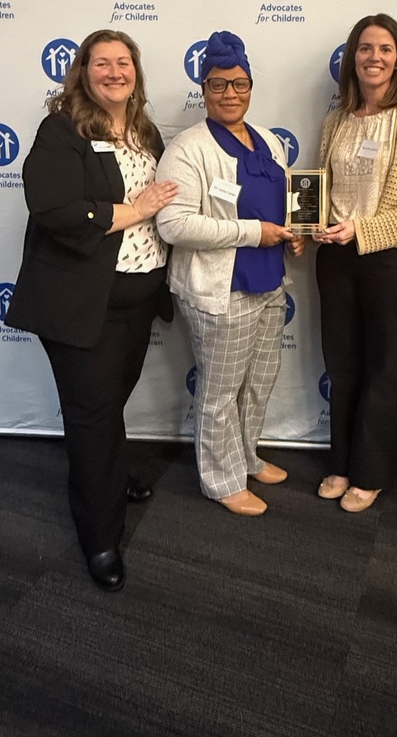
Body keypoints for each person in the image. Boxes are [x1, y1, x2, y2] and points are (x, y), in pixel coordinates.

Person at [5, 29, 178, 591]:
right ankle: (100, 537)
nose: (113, 72)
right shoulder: (62, 130)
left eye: (123, 62)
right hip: (83, 306)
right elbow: (54, 208)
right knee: (92, 416)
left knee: (109, 404)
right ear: (82, 72)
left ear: (136, 73)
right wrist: (137, 208)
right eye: (100, 63)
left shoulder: (145, 132)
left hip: (138, 298)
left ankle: (106, 474)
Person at [155, 30, 304, 516]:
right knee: (219, 394)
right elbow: (174, 223)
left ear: (250, 86)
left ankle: (246, 457)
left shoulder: (266, 141)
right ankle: (220, 480)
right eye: (218, 85)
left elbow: (283, 205)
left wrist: (295, 232)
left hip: (269, 284)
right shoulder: (188, 148)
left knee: (259, 382)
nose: (230, 94)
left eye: (238, 84)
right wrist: (251, 232)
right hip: (221, 292)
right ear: (204, 90)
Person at [314, 13, 397, 512]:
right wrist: (312, 227)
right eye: (365, 48)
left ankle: (370, 474)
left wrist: (365, 230)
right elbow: (323, 190)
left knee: (383, 368)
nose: (374, 57)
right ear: (353, 58)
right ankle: (341, 463)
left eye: (385, 48)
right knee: (342, 365)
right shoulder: (336, 120)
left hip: (392, 261)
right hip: (337, 259)